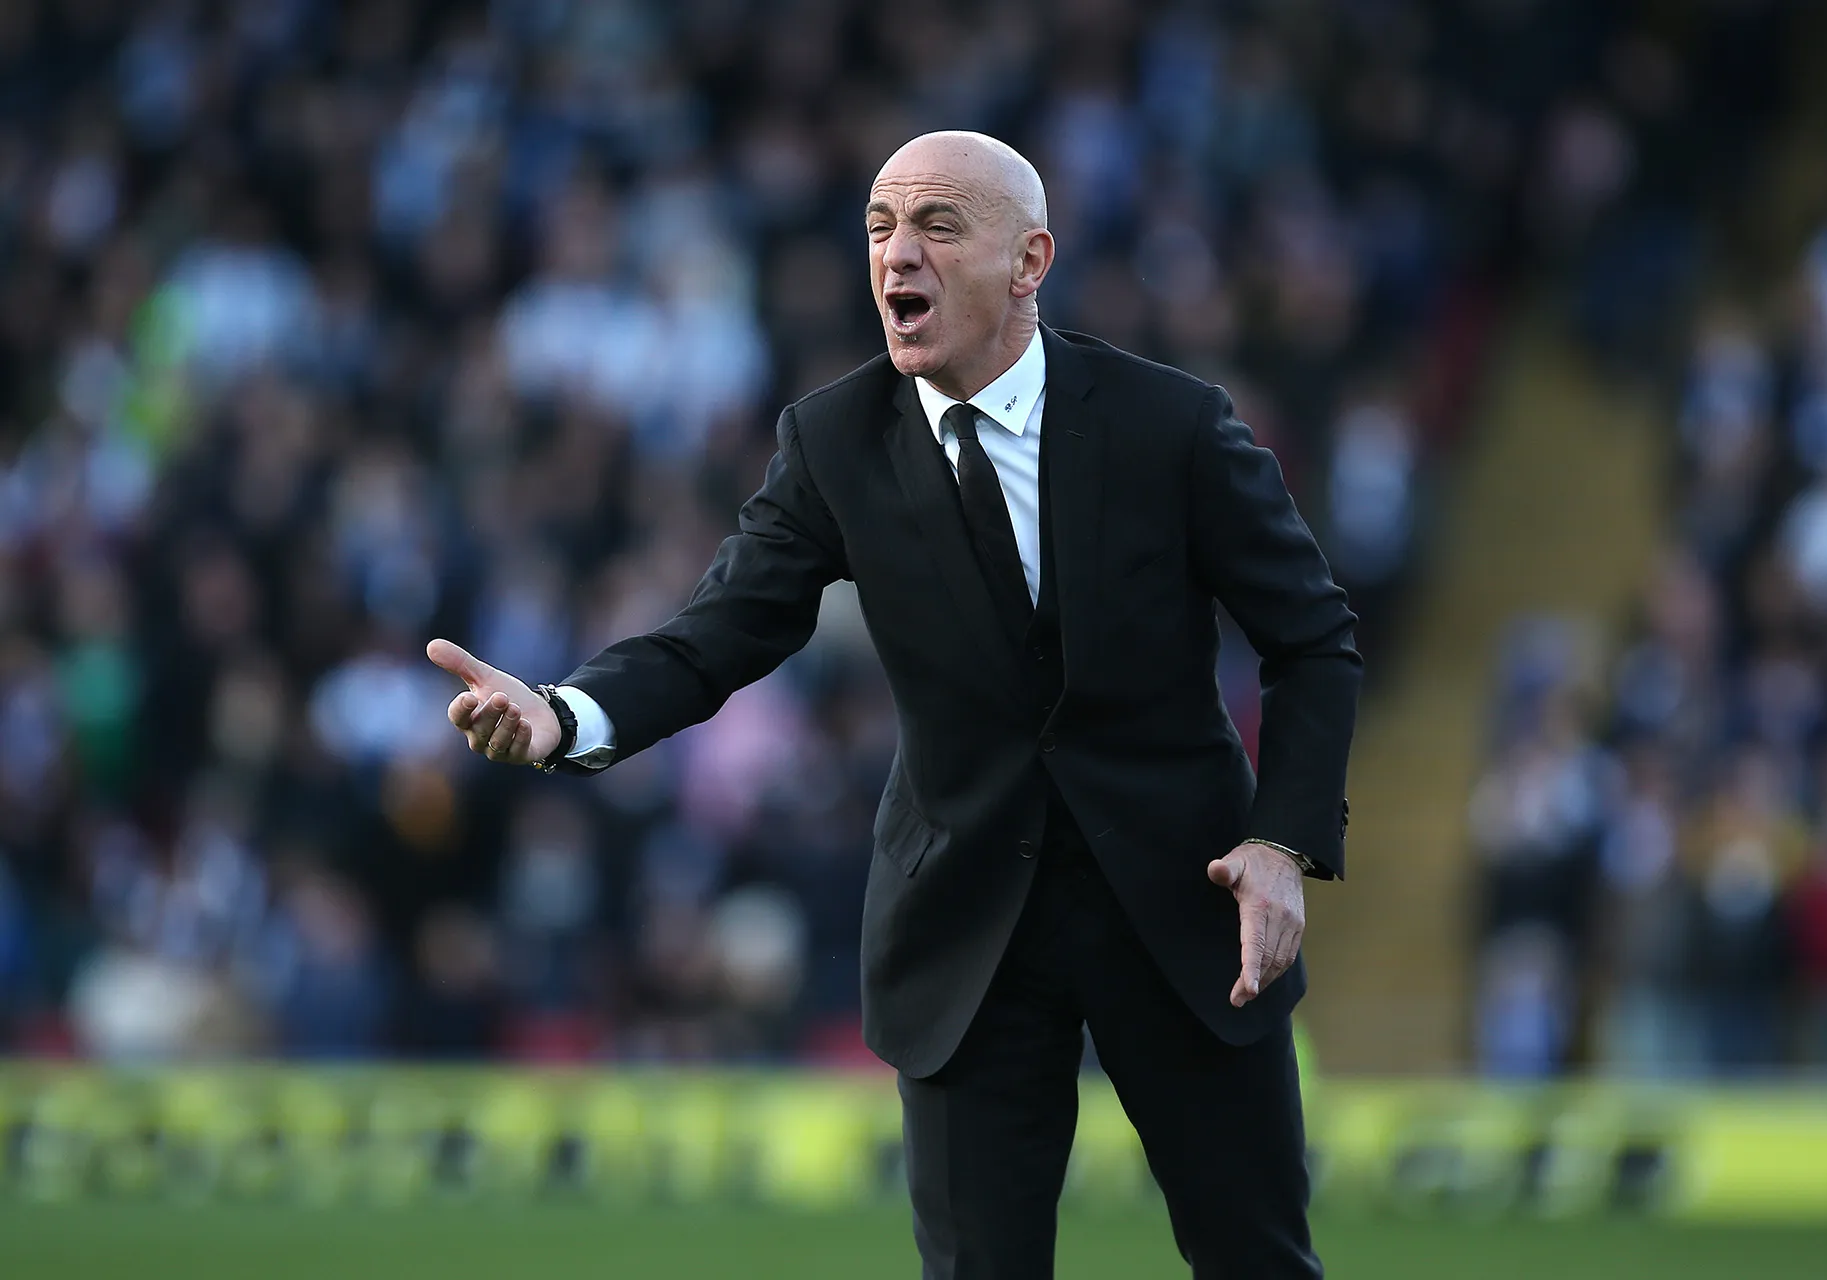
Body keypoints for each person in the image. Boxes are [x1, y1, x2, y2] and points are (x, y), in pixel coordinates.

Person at [429, 131, 1361, 1279]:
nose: (896, 254)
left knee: (1256, 1259)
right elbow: (716, 633)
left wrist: (1280, 842)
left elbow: (1314, 639)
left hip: (1184, 903)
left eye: (937, 226)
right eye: (879, 227)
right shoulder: (833, 439)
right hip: (965, 924)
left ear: (1029, 262)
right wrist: (567, 714)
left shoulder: (1172, 423)